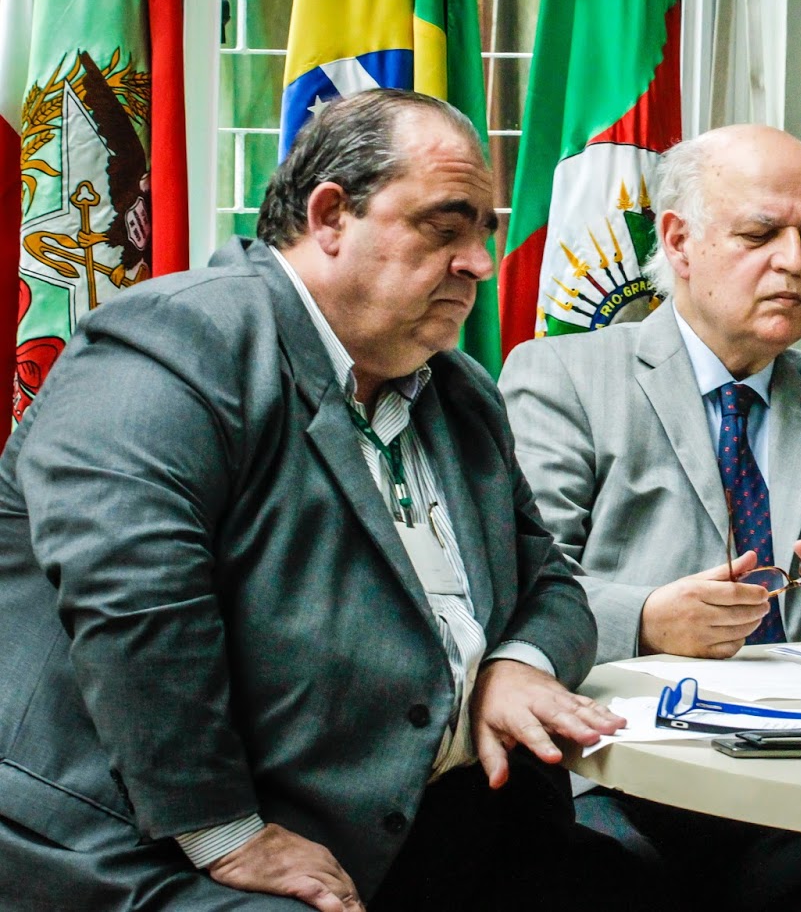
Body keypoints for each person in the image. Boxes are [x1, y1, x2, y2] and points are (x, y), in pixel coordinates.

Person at [0, 90, 627, 911]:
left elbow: (550, 584)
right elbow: (136, 600)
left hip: (430, 819)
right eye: (445, 227)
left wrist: (518, 663)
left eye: (485, 232)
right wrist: (224, 831)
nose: (479, 262)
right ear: (330, 216)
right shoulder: (174, 342)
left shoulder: (461, 391)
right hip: (149, 839)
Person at [498, 123, 801, 911]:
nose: (792, 261)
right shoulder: (565, 378)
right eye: (760, 235)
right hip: (625, 778)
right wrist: (648, 619)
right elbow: (520, 583)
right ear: (678, 241)